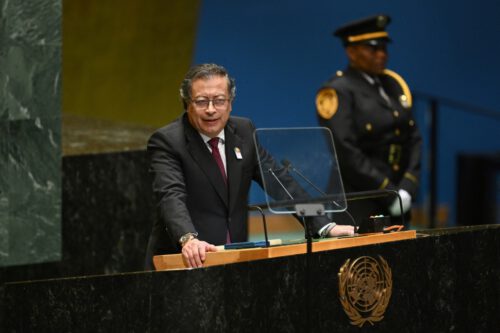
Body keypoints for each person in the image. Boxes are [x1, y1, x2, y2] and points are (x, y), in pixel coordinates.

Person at [145, 63, 354, 269]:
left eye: (219, 100)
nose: (211, 109)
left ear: (230, 103)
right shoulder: (167, 141)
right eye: (201, 101)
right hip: (184, 261)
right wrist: (188, 239)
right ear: (187, 103)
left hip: (234, 259)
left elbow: (281, 182)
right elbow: (170, 196)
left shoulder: (244, 131)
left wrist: (325, 225)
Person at [315, 15, 422, 226]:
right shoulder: (337, 90)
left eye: (384, 48)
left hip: (400, 196)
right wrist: (389, 193)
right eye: (373, 49)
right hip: (360, 200)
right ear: (351, 52)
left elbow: (414, 137)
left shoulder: (393, 85)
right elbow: (346, 152)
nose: (382, 55)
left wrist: (407, 186)